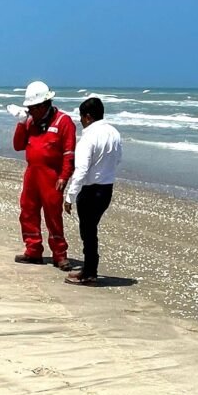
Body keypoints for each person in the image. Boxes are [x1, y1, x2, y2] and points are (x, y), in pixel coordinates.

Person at [8, 81, 76, 270]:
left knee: (53, 215)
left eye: (32, 108)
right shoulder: (30, 122)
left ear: (44, 105)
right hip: (32, 173)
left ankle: (60, 255)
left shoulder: (63, 122)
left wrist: (64, 176)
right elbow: (18, 145)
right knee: (28, 211)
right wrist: (21, 123)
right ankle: (33, 250)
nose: (30, 112)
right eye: (28, 108)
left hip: (51, 176)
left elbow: (69, 153)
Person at [63, 97, 122, 286]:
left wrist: (70, 196)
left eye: (81, 117)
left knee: (87, 231)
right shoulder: (114, 133)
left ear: (87, 117)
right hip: (107, 189)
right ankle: (89, 268)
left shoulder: (89, 136)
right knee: (90, 230)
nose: (80, 121)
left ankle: (90, 272)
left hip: (90, 189)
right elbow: (117, 159)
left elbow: (80, 170)